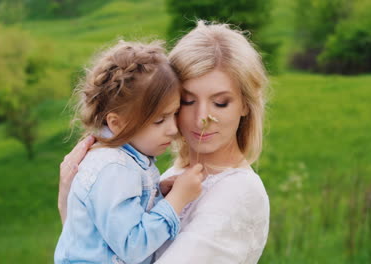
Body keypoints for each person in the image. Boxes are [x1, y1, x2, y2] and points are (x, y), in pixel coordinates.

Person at [59, 21, 270, 263]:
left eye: (220, 103)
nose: (202, 117)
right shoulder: (167, 176)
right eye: (187, 101)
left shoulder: (240, 192)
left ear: (245, 104)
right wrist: (70, 200)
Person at [55, 40, 204, 264]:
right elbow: (132, 246)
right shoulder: (114, 168)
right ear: (117, 123)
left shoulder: (123, 159)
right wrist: (176, 199)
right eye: (159, 120)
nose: (173, 129)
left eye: (174, 114)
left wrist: (157, 193)